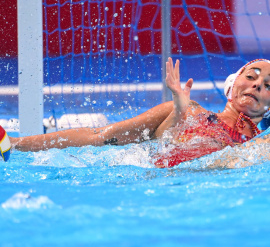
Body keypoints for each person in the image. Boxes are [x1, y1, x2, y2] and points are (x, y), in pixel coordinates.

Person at [9, 58, 270, 168]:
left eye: (269, 86)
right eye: (251, 76)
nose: (258, 84)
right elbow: (99, 136)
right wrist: (13, 143)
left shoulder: (263, 143)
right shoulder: (189, 110)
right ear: (232, 84)